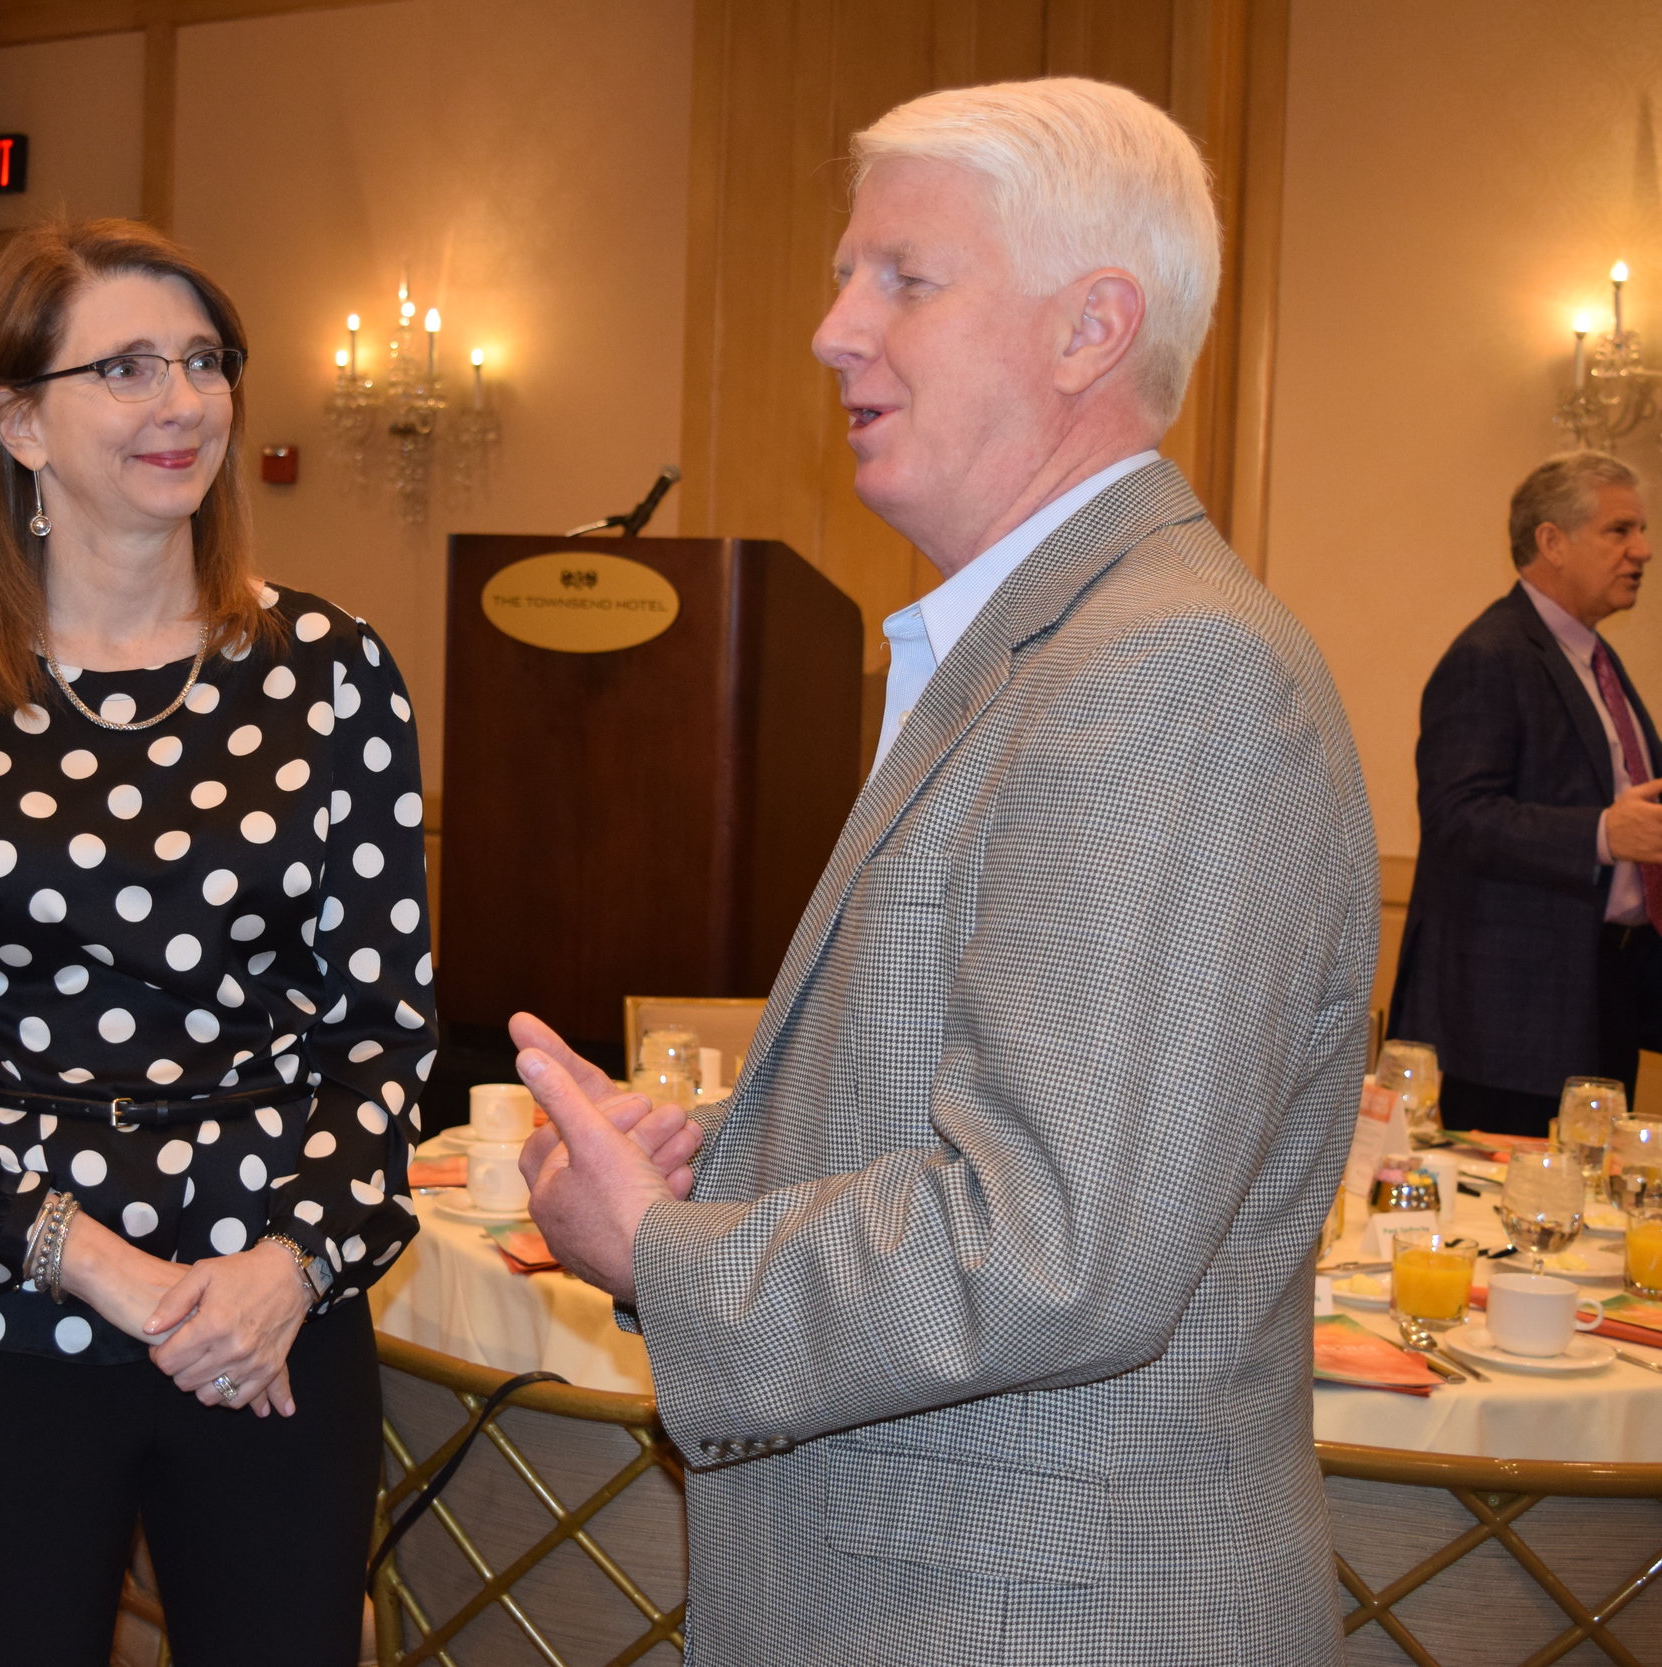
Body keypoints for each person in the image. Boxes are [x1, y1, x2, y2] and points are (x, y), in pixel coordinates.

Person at [509, 79, 1376, 1663]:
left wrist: (667, 1250)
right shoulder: (1048, 643)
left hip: (1021, 1613)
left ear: (1087, 328)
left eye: (904, 278)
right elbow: (983, 1107)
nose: (835, 330)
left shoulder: (1165, 668)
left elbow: (1054, 1238)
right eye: (850, 277)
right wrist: (716, 1160)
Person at [0, 217, 436, 1667]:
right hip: (0, 1325)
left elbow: (381, 1036)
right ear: (18, 420)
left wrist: (290, 1260)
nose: (184, 402)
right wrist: (104, 1264)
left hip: (272, 1325)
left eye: (204, 361)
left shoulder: (334, 677)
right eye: (129, 367)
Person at [1390, 452, 1661, 1135]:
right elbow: (1457, 818)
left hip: (1603, 989)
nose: (1643, 550)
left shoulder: (1595, 659)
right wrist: (1602, 834)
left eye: (1643, 530)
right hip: (1511, 1021)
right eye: (1620, 530)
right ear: (1551, 540)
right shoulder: (1491, 654)